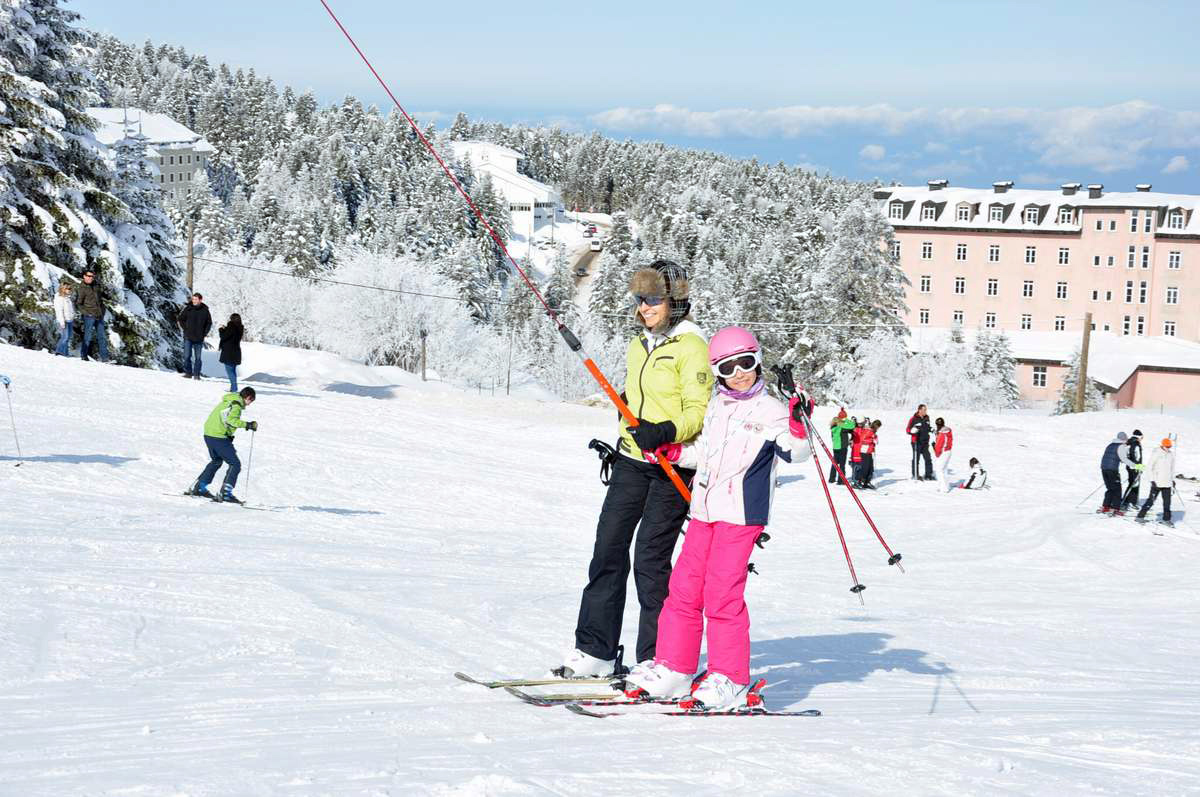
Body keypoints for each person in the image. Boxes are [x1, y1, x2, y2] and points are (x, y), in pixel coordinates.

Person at [622, 327, 812, 710]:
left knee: (722, 595)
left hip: (741, 515)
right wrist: (674, 452)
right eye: (728, 367)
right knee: (684, 589)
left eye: (746, 363)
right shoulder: (715, 407)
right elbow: (703, 455)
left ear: (758, 361)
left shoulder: (771, 410)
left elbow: (797, 452)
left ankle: (731, 678)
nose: (739, 373)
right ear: (716, 372)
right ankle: (674, 668)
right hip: (703, 511)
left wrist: (798, 422)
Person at [556, 260, 709, 679]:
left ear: (675, 302)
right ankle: (596, 649)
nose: (645, 307)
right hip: (631, 461)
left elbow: (698, 412)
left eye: (654, 299)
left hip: (670, 466)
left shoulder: (691, 346)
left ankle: (659, 658)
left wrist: (664, 431)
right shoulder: (639, 343)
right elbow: (640, 395)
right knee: (607, 549)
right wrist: (629, 411)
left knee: (650, 561)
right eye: (640, 299)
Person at [186, 387, 258, 503]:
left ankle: (200, 487)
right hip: (218, 436)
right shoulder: (236, 405)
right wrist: (247, 425)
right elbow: (231, 420)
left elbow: (223, 419)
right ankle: (226, 493)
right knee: (235, 464)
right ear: (248, 397)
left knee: (216, 461)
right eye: (251, 401)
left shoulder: (228, 401)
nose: (249, 404)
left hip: (209, 434)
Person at [1136, 438, 1176, 526]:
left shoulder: (1171, 454)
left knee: (1167, 503)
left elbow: (1172, 469)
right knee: (1151, 501)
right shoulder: (1156, 453)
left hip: (1167, 483)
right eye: (1167, 446)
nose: (1168, 448)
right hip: (1157, 482)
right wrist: (1152, 480)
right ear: (1163, 445)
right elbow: (1149, 467)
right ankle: (1140, 516)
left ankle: (1166, 519)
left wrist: (1172, 480)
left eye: (1169, 446)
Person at [73, 270, 108, 362]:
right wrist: (86, 313)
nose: (90, 278)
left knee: (102, 337)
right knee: (87, 337)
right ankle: (84, 356)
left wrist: (103, 311)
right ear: (84, 276)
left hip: (99, 315)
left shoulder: (96, 286)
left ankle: (105, 358)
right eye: (88, 276)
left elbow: (100, 301)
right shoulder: (82, 288)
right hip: (89, 316)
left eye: (92, 276)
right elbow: (78, 303)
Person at [1098, 432, 1134, 515]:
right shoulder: (1121, 446)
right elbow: (1124, 459)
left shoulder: (1110, 445)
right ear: (1124, 438)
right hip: (1112, 469)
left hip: (1104, 468)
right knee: (1117, 489)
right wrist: (1136, 466)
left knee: (1110, 488)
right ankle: (1115, 508)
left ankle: (1106, 506)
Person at [178, 293, 213, 379]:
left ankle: (197, 374)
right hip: (188, 336)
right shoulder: (188, 308)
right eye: (193, 299)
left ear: (200, 300)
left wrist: (204, 333)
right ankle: (188, 373)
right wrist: (185, 329)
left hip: (199, 338)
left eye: (196, 299)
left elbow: (209, 323)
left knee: (198, 358)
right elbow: (181, 319)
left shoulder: (205, 310)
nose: (194, 301)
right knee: (187, 356)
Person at [906, 404, 933, 480]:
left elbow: (927, 427)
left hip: (925, 442)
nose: (925, 411)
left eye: (926, 410)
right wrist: (912, 431)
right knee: (916, 459)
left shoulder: (927, 418)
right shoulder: (913, 419)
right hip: (916, 442)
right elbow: (907, 429)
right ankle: (915, 475)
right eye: (924, 410)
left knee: (928, 458)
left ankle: (928, 475)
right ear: (919, 410)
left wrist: (931, 429)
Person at [828, 409, 855, 483]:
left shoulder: (833, 427)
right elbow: (852, 426)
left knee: (835, 464)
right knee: (842, 465)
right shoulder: (842, 427)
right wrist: (847, 420)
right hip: (842, 447)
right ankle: (841, 480)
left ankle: (832, 478)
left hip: (835, 447)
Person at [218, 313, 244, 392]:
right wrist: (226, 329)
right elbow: (231, 335)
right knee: (233, 371)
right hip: (236, 352)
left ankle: (234, 388)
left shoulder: (231, 326)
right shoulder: (240, 327)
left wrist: (221, 330)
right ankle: (233, 387)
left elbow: (224, 336)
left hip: (229, 352)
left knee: (230, 371)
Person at [1122, 429, 1143, 510]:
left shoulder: (1129, 442)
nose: (1141, 439)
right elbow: (1136, 457)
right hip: (1134, 467)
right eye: (1141, 437)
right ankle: (1130, 502)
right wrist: (1139, 467)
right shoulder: (1136, 444)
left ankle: (1127, 501)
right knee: (1134, 485)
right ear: (1139, 437)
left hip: (1129, 466)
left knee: (1132, 484)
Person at [856, 420, 881, 489]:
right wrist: (871, 440)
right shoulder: (868, 431)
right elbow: (862, 440)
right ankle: (859, 481)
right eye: (878, 427)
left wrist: (874, 440)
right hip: (864, 451)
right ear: (876, 426)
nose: (878, 429)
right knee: (865, 468)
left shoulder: (873, 432)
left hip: (869, 451)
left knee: (870, 468)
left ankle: (867, 482)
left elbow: (875, 441)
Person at [53, 282, 75, 356]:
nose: (69, 290)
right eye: (67, 288)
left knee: (68, 337)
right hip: (64, 321)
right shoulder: (59, 298)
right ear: (62, 289)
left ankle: (65, 353)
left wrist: (72, 316)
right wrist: (62, 322)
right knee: (65, 337)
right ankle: (59, 352)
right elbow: (59, 311)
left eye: (70, 288)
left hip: (69, 320)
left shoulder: (67, 298)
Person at [932, 417, 954, 492]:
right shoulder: (947, 431)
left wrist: (934, 447)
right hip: (948, 451)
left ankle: (944, 488)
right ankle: (945, 486)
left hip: (943, 452)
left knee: (939, 470)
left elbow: (939, 446)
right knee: (944, 469)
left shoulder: (942, 434)